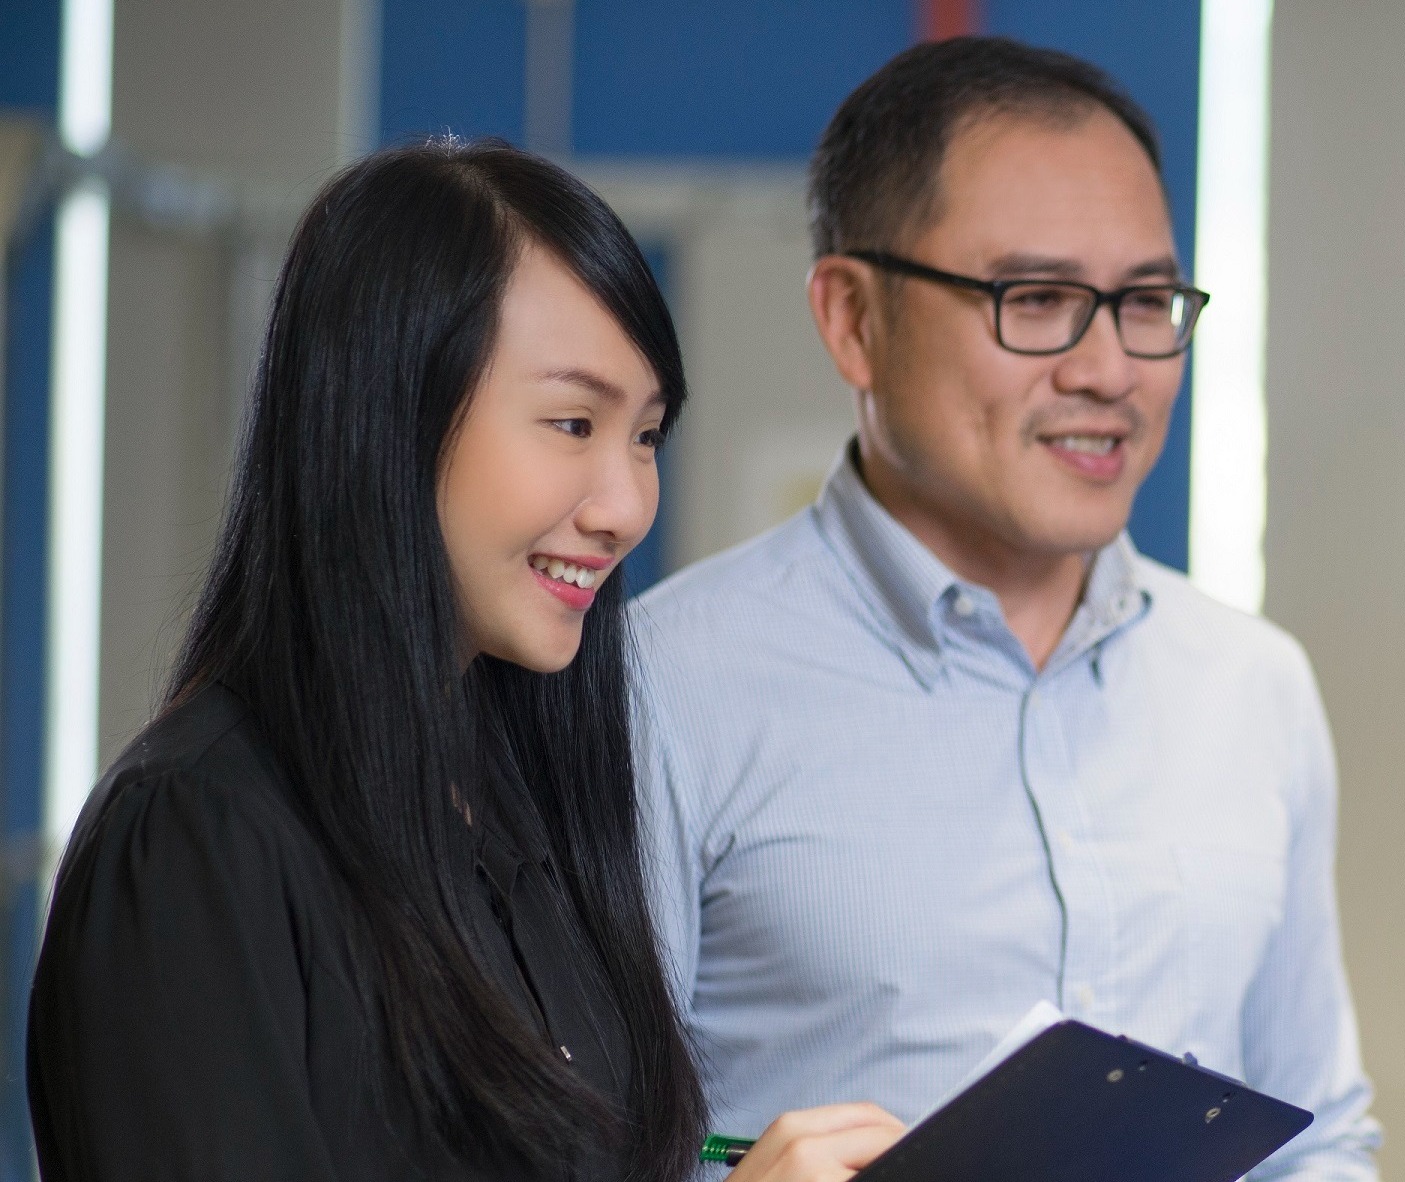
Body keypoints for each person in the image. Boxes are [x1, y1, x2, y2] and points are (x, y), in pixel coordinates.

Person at [27, 139, 901, 1182]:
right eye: (572, 423)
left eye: (645, 437)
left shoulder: (520, 811)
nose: (626, 507)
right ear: (389, 419)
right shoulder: (199, 838)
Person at [631, 36, 1382, 1178]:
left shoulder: (1252, 686)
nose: (1109, 370)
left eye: (1145, 301)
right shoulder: (661, 687)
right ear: (853, 319)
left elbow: (1317, 1137)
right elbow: (557, 1146)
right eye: (1035, 299)